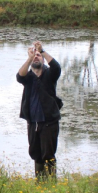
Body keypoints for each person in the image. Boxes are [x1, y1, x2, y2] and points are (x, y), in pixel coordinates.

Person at [16, 40, 62, 179]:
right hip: (33, 122)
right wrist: (29, 58)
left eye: (38, 57)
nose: (36, 57)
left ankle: (52, 185)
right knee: (36, 154)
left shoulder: (49, 75)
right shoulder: (28, 77)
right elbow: (19, 76)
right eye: (34, 56)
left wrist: (42, 51)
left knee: (48, 155)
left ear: (43, 60)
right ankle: (40, 184)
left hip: (49, 122)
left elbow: (56, 67)